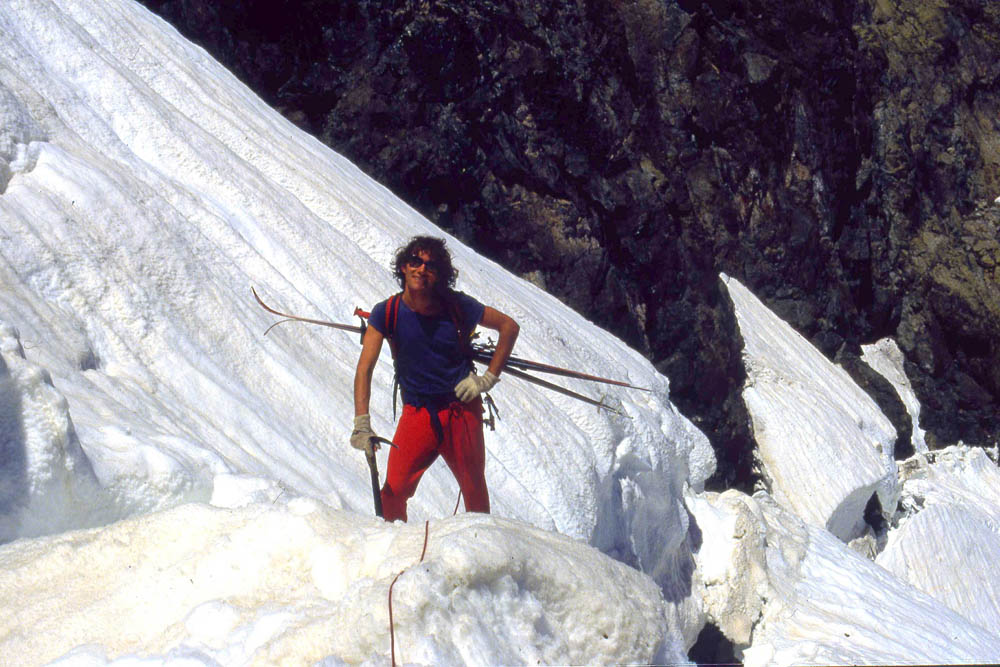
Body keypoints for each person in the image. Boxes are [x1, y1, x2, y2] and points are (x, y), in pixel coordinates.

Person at [352, 236, 519, 522]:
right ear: (404, 267)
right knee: (393, 492)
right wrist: (361, 423)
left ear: (440, 275)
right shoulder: (387, 313)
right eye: (416, 262)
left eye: (431, 265)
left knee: (474, 492)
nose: (422, 269)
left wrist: (487, 379)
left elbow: (508, 326)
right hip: (417, 413)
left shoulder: (457, 306)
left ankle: (484, 556)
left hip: (461, 410)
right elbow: (364, 369)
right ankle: (398, 552)